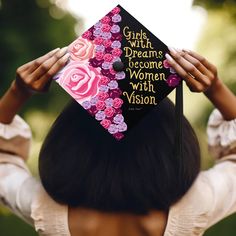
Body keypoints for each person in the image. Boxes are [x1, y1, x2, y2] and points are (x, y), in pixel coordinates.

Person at [0, 46, 235, 236]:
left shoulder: (45, 207)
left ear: (70, 141)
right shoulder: (195, 203)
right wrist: (216, 89)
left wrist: (17, 92)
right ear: (169, 140)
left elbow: (3, 164)